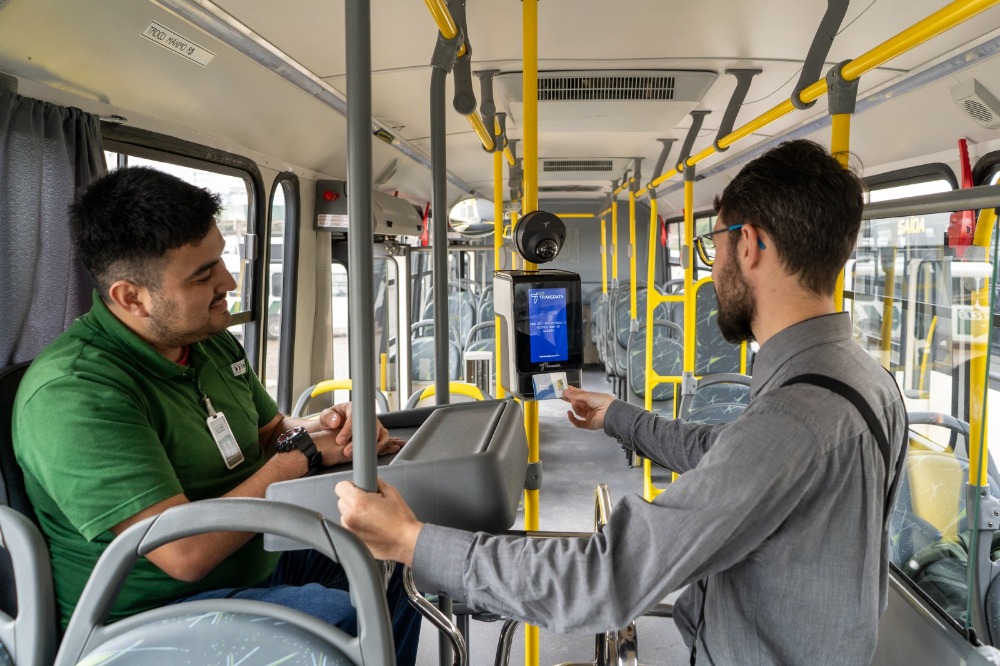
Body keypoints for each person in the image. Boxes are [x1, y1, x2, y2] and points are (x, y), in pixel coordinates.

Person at [336, 139, 908, 665]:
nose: (715, 266)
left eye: (716, 243)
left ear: (752, 243)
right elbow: (730, 452)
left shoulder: (794, 421)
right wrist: (619, 416)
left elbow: (606, 576)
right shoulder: (865, 380)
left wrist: (413, 541)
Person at [12, 166, 420, 663]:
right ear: (130, 297)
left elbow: (272, 433)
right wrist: (303, 454)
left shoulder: (206, 340)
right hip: (148, 617)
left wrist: (332, 425)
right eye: (203, 275)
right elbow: (185, 555)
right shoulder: (76, 392)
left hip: (255, 558)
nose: (227, 282)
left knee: (404, 559)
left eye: (220, 261)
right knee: (341, 621)